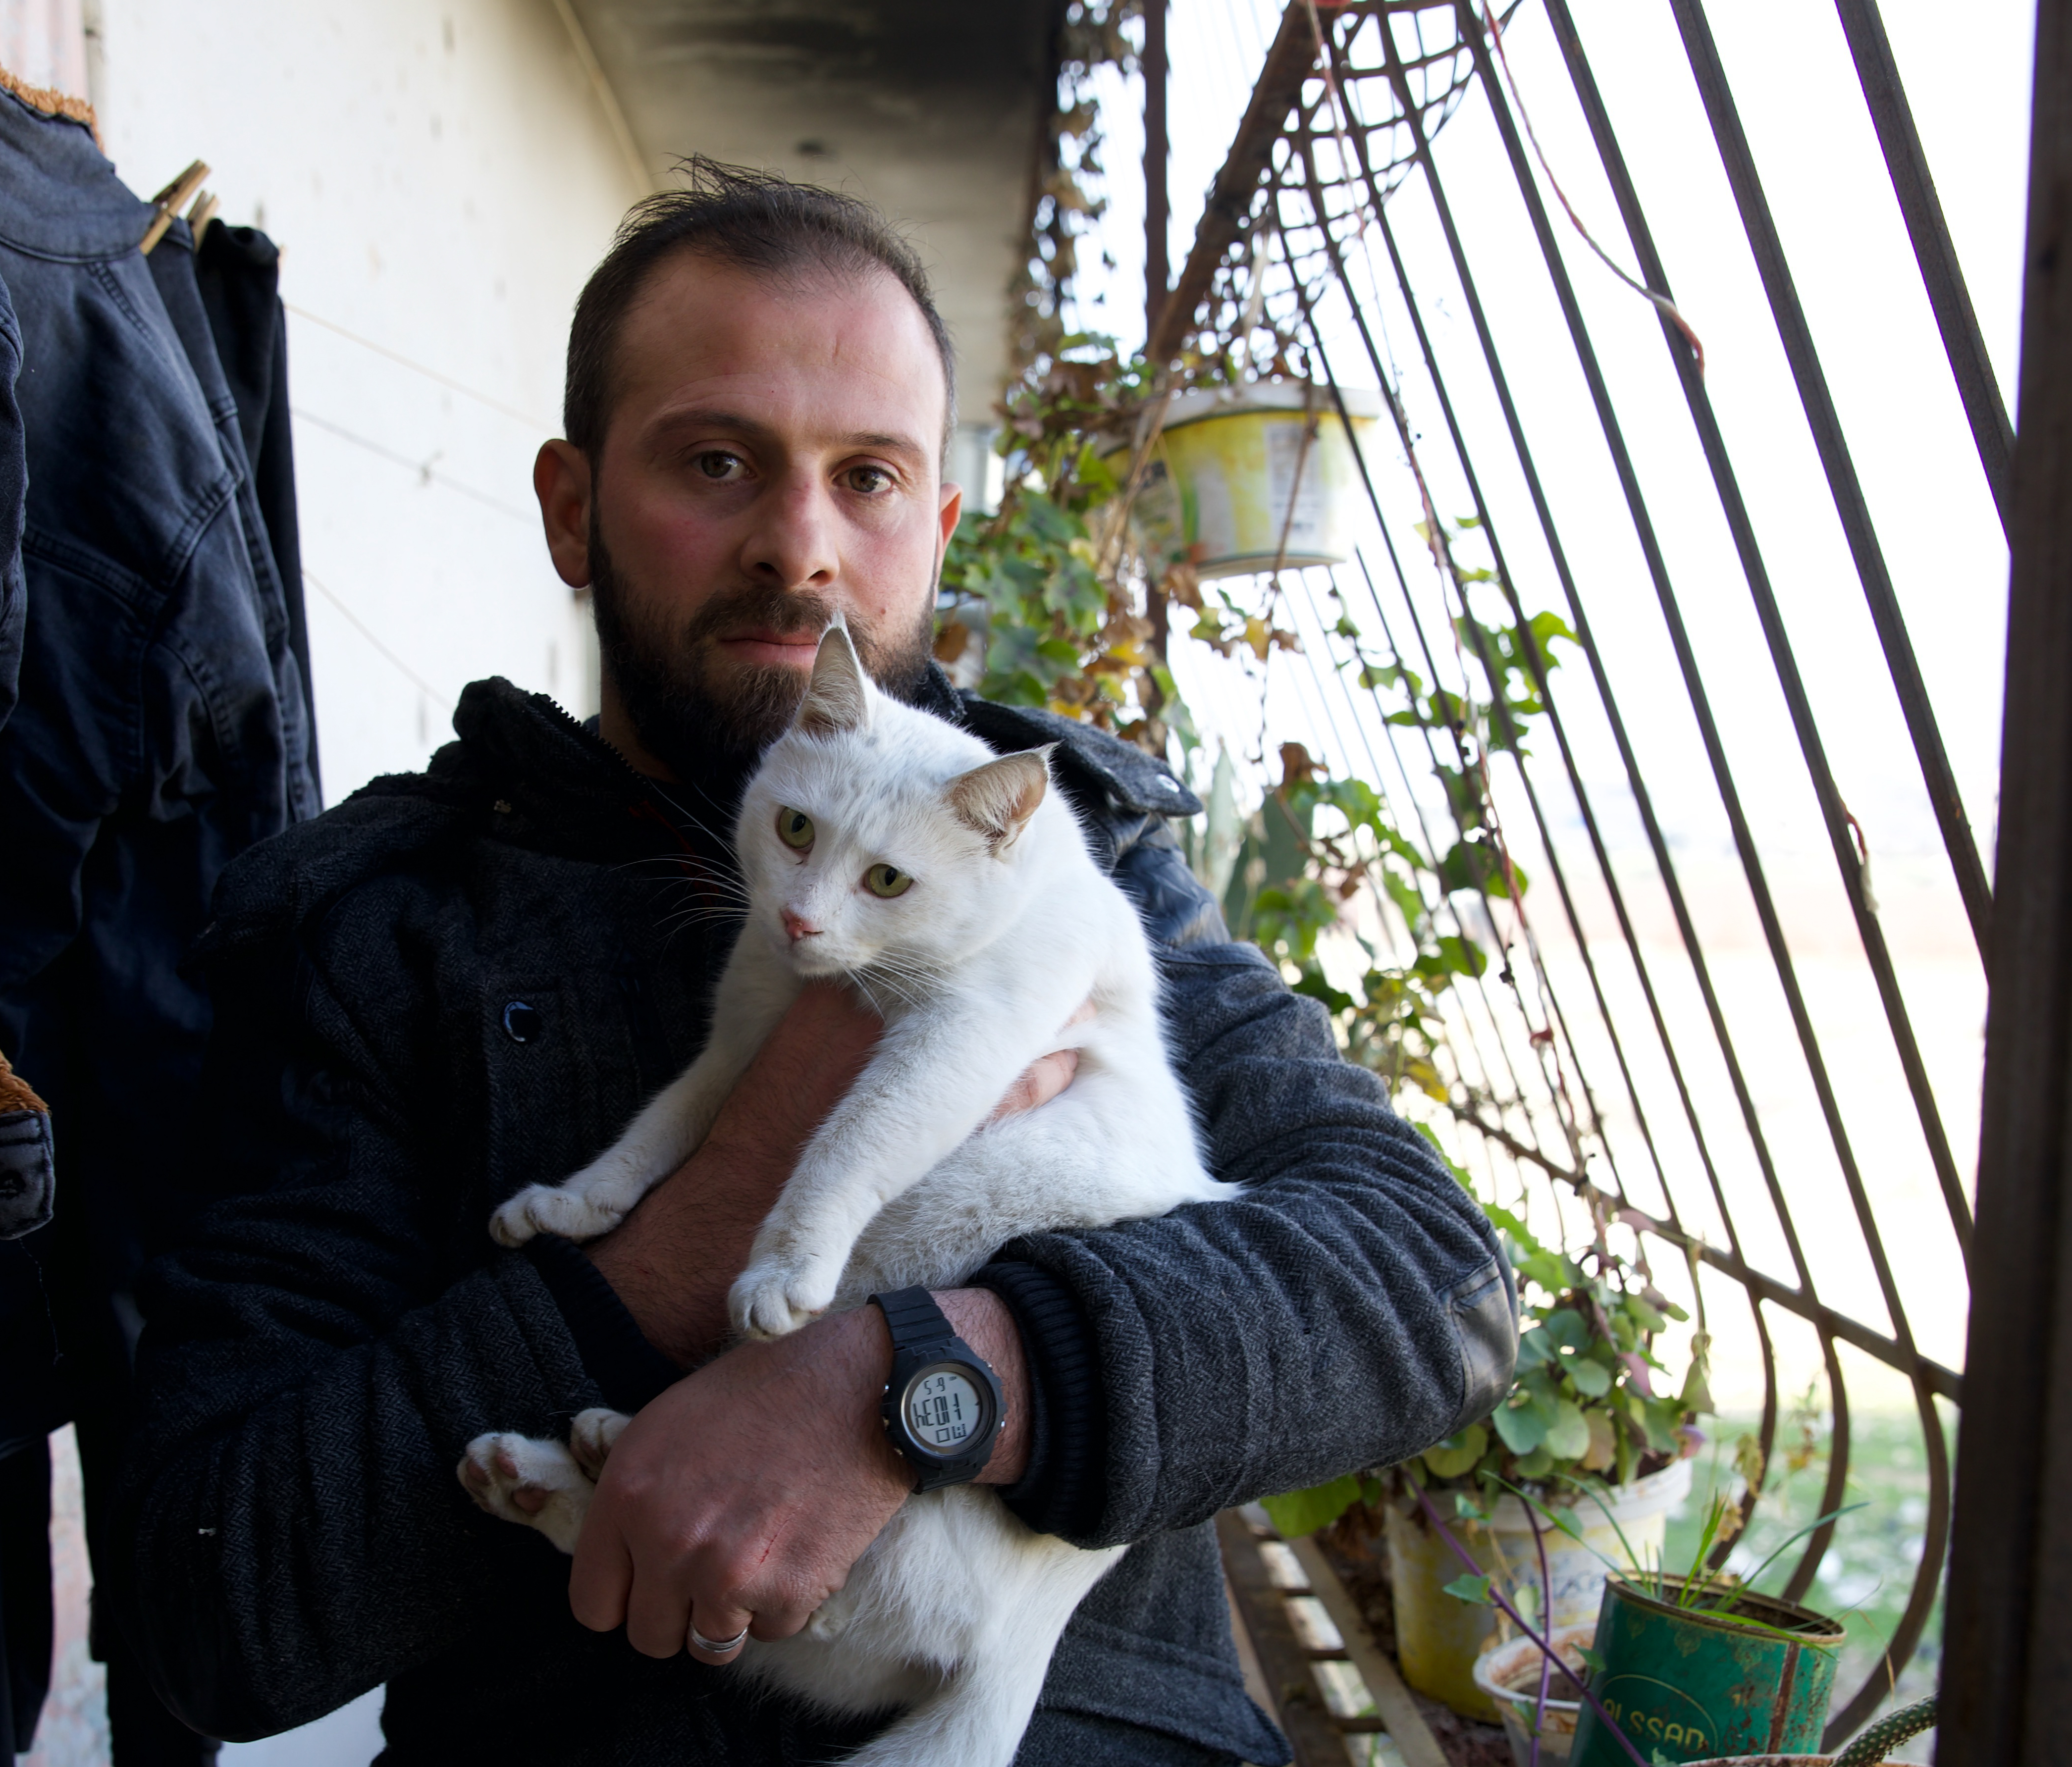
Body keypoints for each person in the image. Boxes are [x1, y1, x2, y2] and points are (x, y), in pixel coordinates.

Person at [117, 160, 1514, 1766]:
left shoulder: (1084, 864)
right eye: (718, 461)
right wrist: (696, 1224)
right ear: (572, 508)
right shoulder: (381, 930)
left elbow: (1430, 1288)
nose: (801, 546)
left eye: (869, 477)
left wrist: (940, 1378)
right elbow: (200, 1599)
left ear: (937, 522)